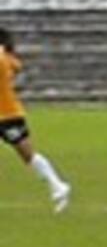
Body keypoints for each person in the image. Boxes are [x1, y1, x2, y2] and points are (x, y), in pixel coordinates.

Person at [0, 27, 71, 212]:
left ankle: (58, 185)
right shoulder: (8, 60)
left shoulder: (5, 60)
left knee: (28, 156)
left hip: (8, 116)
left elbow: (14, 67)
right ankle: (58, 186)